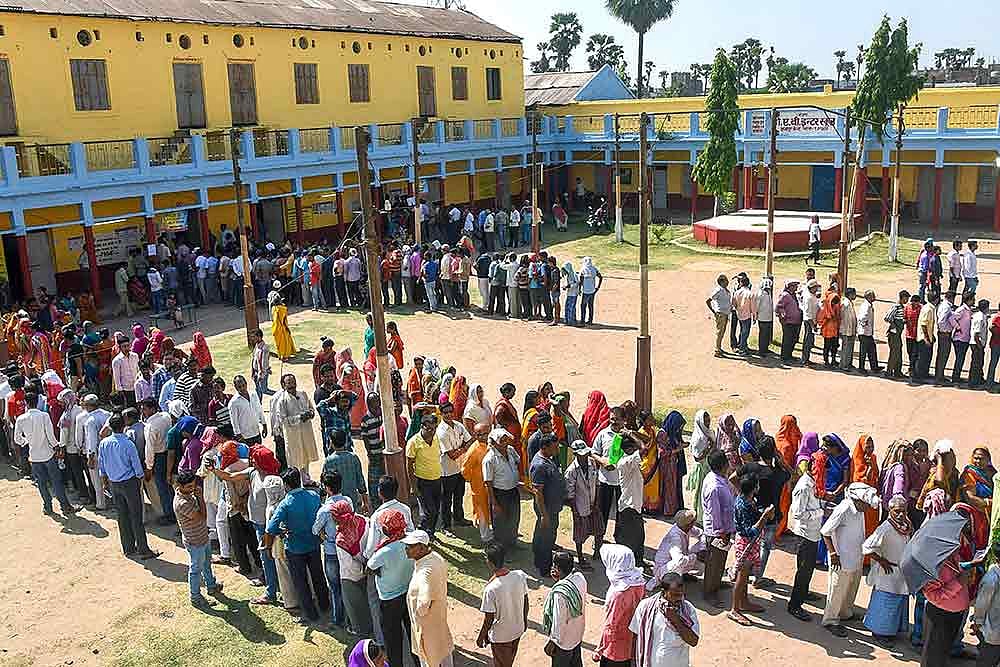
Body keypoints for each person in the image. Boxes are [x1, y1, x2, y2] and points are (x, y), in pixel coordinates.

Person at [265, 467, 331, 626]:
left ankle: (311, 614)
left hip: (295, 549)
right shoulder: (313, 496)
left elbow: (270, 529)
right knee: (318, 577)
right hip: (314, 545)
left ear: (286, 485)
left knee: (301, 583)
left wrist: (267, 549)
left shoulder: (285, 504)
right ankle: (325, 605)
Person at [820, 482, 880, 637]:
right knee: (837, 590)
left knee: (851, 588)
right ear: (858, 500)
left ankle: (846, 613)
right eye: (866, 504)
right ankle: (831, 620)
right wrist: (833, 554)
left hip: (856, 556)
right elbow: (825, 532)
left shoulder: (860, 510)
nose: (868, 508)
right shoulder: (844, 508)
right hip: (841, 559)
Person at [99, 413, 159, 559]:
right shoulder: (128, 443)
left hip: (114, 483)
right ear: (123, 426)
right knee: (136, 517)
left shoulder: (104, 443)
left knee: (122, 516)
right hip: (129, 483)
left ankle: (128, 548)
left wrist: (105, 481)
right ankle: (143, 549)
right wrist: (140, 478)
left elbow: (102, 465)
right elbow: (137, 467)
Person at [367, 506, 418, 667]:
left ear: (386, 530)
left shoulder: (384, 551)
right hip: (409, 594)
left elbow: (369, 568)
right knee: (413, 635)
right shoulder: (411, 541)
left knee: (393, 640)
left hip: (389, 600)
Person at [15, 390, 78, 516]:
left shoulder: (21, 419)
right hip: (48, 455)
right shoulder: (44, 416)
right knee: (56, 482)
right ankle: (65, 506)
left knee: (42, 484)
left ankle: (48, 507)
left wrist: (27, 441)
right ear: (37, 401)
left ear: (26, 403)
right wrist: (57, 447)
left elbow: (17, 439)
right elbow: (50, 436)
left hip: (34, 456)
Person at [862, 494, 912, 647]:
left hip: (901, 573)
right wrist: (881, 561)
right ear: (890, 510)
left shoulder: (906, 525)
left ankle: (891, 631)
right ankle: (879, 634)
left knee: (897, 603)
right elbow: (866, 548)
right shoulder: (885, 527)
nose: (900, 514)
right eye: (897, 511)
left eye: (903, 511)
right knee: (885, 603)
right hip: (888, 573)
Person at [404, 530, 454, 667]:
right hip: (438, 618)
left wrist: (419, 613)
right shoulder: (435, 557)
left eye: (410, 546)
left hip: (427, 625)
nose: (406, 549)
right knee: (442, 651)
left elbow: (424, 601)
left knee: (429, 657)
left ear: (421, 547)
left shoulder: (426, 570)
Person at [173, 470, 223, 607]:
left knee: (207, 563)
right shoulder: (182, 503)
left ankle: (211, 585)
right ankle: (195, 597)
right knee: (195, 570)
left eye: (193, 485)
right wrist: (200, 497)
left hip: (202, 536)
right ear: (180, 486)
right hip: (195, 541)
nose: (192, 489)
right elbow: (202, 517)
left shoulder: (187, 494)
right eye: (189, 487)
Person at [729, 475, 773, 626]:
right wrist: (765, 517)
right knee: (741, 577)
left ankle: (744, 602)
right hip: (746, 543)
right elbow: (749, 531)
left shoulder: (747, 500)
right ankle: (734, 609)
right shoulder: (743, 505)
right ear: (754, 488)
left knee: (745, 575)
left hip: (751, 543)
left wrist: (763, 513)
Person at [630, 571, 700, 667]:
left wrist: (676, 620)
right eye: (675, 595)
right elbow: (635, 636)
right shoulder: (646, 607)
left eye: (681, 594)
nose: (680, 598)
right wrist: (633, 663)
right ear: (664, 592)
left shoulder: (688, 610)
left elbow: (693, 641)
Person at [477, 542, 529, 667]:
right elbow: (526, 602)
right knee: (508, 661)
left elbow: (489, 618)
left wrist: (481, 636)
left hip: (501, 636)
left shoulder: (491, 589)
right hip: (518, 629)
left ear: (489, 561)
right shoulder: (519, 576)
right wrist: (524, 621)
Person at [594, 543, 645, 667]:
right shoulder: (637, 581)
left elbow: (611, 626)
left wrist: (600, 649)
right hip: (632, 642)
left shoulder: (618, 594)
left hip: (616, 648)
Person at [787, 454, 823, 622]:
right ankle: (794, 605)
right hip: (805, 535)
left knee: (808, 569)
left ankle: (804, 593)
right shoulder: (804, 486)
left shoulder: (814, 482)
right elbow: (798, 513)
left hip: (813, 533)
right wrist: (820, 512)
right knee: (803, 571)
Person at [331, 499, 374, 636]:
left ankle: (359, 629)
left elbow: (348, 565)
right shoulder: (363, 520)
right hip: (370, 566)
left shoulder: (341, 539)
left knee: (355, 605)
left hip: (352, 576)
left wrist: (361, 571)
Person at [529, 433, 566, 579]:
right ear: (544, 447)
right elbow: (538, 492)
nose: (557, 449)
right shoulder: (539, 465)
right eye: (554, 447)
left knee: (546, 536)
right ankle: (544, 568)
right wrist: (544, 515)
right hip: (546, 509)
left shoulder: (547, 459)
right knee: (545, 538)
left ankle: (540, 561)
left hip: (552, 507)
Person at [541, 551, 586, 667]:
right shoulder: (580, 578)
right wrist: (559, 580)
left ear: (557, 568)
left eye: (554, 565)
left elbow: (559, 621)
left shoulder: (560, 594)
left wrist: (552, 642)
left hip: (563, 642)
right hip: (577, 634)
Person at [701, 451, 734, 607]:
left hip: (724, 529)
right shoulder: (715, 487)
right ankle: (709, 592)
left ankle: (717, 583)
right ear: (723, 465)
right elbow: (715, 513)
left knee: (721, 560)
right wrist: (721, 533)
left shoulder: (718, 478)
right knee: (714, 563)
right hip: (717, 532)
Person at [437, 400, 472, 535]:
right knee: (446, 499)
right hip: (447, 471)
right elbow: (452, 455)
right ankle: (446, 526)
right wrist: (464, 448)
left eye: (450, 411)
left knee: (459, 495)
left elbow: (470, 440)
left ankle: (458, 518)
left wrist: (460, 449)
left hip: (460, 468)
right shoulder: (441, 432)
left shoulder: (458, 425)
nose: (448, 415)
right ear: (441, 414)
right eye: (445, 413)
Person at [483, 427, 521, 550]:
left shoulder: (510, 450)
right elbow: (488, 483)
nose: (505, 443)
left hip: (513, 491)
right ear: (494, 443)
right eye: (502, 441)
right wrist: (494, 503)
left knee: (514, 518)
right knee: (500, 524)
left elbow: (517, 461)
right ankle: (501, 549)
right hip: (499, 494)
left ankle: (512, 544)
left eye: (506, 440)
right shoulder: (489, 459)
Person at [564, 440, 600, 569]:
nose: (584, 456)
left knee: (598, 529)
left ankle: (597, 552)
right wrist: (574, 510)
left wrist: (596, 502)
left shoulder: (592, 463)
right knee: (579, 534)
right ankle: (580, 558)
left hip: (593, 503)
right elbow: (570, 494)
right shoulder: (571, 471)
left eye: (586, 453)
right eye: (581, 454)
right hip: (580, 506)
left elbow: (597, 483)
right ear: (576, 454)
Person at [406, 410, 443, 538]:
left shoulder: (436, 437)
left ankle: (429, 532)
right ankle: (424, 532)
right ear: (422, 427)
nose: (432, 432)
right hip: (423, 481)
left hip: (437, 479)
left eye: (434, 429)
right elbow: (409, 465)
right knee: (430, 511)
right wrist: (413, 486)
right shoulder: (413, 442)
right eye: (429, 429)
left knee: (436, 511)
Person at [271, 374, 319, 471]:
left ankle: (306, 481)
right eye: (289, 383)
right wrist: (300, 417)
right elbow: (283, 420)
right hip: (293, 436)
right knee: (295, 460)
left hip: (306, 432)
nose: (292, 385)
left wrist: (310, 413)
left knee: (306, 457)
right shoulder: (282, 401)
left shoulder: (303, 394)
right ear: (284, 385)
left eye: (293, 382)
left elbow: (311, 408)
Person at [652, 509, 705, 583]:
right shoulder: (675, 537)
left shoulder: (685, 527)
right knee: (681, 560)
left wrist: (702, 549)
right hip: (664, 568)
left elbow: (702, 533)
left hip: (677, 559)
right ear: (689, 524)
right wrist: (696, 556)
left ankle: (683, 574)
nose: (694, 523)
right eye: (693, 521)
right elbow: (679, 560)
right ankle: (668, 581)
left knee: (701, 547)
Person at [462, 423, 493, 543]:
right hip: (479, 486)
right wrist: (473, 480)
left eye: (485, 433)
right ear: (475, 435)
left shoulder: (491, 444)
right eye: (479, 434)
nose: (483, 436)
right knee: (482, 510)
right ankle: (485, 536)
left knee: (491, 508)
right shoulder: (474, 450)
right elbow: (464, 470)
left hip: (490, 485)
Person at [971, 542, 1000, 667]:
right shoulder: (993, 578)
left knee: (986, 661)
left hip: (992, 632)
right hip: (994, 632)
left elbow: (982, 604)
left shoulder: (991, 579)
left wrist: (977, 622)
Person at [775, 280, 802, 362]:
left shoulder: (794, 295)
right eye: (795, 286)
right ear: (790, 286)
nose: (796, 287)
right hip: (788, 321)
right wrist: (783, 315)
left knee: (793, 339)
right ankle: (785, 356)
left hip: (795, 321)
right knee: (787, 339)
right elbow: (779, 307)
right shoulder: (785, 295)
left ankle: (789, 355)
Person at [884, 290, 909, 379]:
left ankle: (897, 371)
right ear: (903, 297)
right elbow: (887, 317)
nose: (907, 300)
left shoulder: (902, 308)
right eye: (906, 298)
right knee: (894, 353)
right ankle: (889, 372)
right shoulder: (896, 307)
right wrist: (894, 325)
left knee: (898, 352)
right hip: (894, 334)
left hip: (897, 334)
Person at [856, 289, 880, 373]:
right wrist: (864, 324)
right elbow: (863, 317)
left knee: (872, 349)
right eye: (873, 296)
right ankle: (861, 367)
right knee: (864, 351)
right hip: (864, 333)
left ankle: (874, 366)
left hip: (867, 332)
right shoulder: (867, 306)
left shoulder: (868, 305)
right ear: (869, 297)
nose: (875, 297)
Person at [752, 276, 774, 357]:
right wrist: (755, 316)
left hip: (768, 317)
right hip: (762, 317)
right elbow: (756, 306)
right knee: (763, 334)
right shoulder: (760, 294)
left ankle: (765, 348)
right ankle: (761, 350)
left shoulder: (768, 293)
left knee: (767, 334)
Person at [801, 279, 821, 365]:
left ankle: (806, 358)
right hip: (809, 322)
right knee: (807, 341)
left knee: (810, 340)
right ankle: (805, 359)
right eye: (816, 287)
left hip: (813, 321)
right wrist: (813, 326)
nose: (817, 289)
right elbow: (808, 314)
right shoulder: (809, 298)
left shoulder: (813, 296)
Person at [970, 298, 990, 388]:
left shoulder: (981, 315)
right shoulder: (980, 317)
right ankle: (974, 382)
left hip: (978, 343)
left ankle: (978, 379)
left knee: (979, 362)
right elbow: (976, 334)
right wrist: (979, 345)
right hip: (976, 343)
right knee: (976, 363)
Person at [578, 257, 602, 326]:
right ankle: (590, 320)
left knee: (583, 306)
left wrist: (579, 289)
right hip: (592, 291)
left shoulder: (583, 269)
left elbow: (581, 281)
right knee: (590, 306)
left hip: (585, 291)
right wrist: (597, 287)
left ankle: (582, 321)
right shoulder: (594, 269)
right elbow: (600, 277)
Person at [838, 287, 858, 371]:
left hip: (851, 329)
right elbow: (841, 316)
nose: (855, 296)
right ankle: (843, 365)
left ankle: (848, 363)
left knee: (850, 348)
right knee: (845, 348)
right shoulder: (845, 303)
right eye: (854, 294)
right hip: (845, 329)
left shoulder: (849, 303)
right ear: (850, 294)